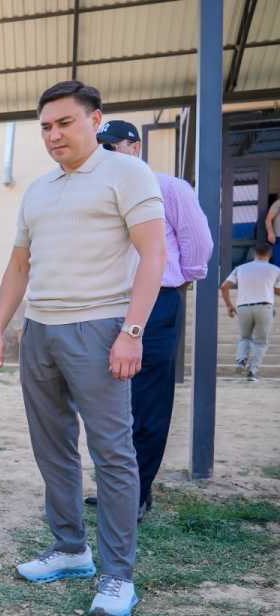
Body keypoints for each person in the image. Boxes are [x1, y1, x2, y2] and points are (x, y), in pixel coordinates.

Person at [0, 81, 166, 616]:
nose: (54, 135)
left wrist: (132, 332)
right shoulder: (39, 190)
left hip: (100, 327)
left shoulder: (127, 173)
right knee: (52, 447)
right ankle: (69, 549)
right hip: (40, 330)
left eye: (65, 122)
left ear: (95, 120)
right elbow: (20, 265)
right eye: (45, 126)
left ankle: (118, 575)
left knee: (113, 454)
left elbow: (154, 254)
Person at [85, 120, 213, 519]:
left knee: (148, 403)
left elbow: (198, 243)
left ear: (135, 148)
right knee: (110, 405)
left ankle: (137, 493)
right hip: (109, 305)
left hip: (156, 304)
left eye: (113, 146)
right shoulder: (98, 193)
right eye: (101, 147)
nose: (106, 154)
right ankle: (116, 487)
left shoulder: (169, 188)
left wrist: (177, 279)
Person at [221, 242, 280, 382]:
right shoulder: (275, 270)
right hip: (264, 307)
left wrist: (229, 305)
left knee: (245, 337)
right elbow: (278, 290)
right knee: (261, 341)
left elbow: (224, 286)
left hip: (243, 307)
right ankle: (252, 371)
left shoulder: (240, 268)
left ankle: (241, 361)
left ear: (255, 253)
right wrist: (268, 287)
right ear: (269, 255)